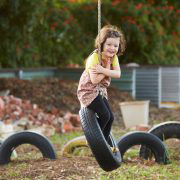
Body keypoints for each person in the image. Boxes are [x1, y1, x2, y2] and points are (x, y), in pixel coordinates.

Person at [77, 25, 126, 151]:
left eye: (115, 46)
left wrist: (103, 70)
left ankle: (103, 143)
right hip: (88, 90)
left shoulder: (113, 58)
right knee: (104, 114)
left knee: (111, 117)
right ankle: (93, 140)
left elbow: (118, 74)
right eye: (109, 44)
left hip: (100, 91)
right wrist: (107, 70)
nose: (112, 48)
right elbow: (94, 80)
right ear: (102, 44)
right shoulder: (94, 57)